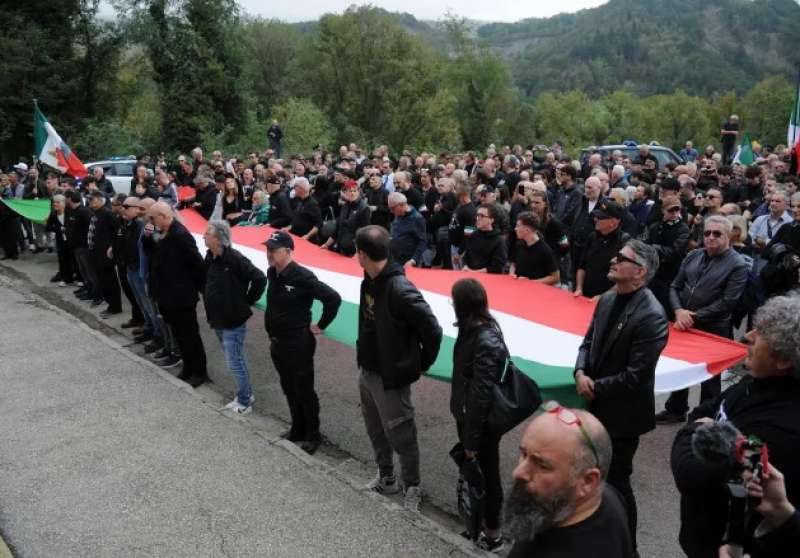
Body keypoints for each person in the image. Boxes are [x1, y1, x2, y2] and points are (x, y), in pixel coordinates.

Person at [671, 292, 800, 558]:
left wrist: (692, 430)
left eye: (762, 333)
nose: (748, 336)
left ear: (784, 360)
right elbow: (704, 409)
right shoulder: (753, 383)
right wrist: (701, 425)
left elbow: (692, 473)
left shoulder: (780, 428)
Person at [574, 239, 668, 555]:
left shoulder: (652, 315)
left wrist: (595, 386)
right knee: (592, 477)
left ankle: (629, 549)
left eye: (622, 258)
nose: (614, 260)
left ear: (639, 273)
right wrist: (579, 372)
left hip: (623, 416)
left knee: (616, 483)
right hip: (596, 403)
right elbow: (587, 342)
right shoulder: (607, 299)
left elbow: (636, 375)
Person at [355, 225, 442, 512]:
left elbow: (433, 329)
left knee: (402, 434)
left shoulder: (400, 288)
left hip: (390, 377)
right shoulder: (368, 279)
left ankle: (412, 486)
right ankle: (387, 477)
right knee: (376, 430)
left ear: (363, 254)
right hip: (367, 370)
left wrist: (419, 364)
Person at [504, 405, 633, 558]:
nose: (518, 473)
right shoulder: (606, 496)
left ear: (587, 481)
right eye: (524, 454)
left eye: (542, 465)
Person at [657, 215, 749, 423]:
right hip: (684, 323)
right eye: (707, 233)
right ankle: (676, 408)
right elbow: (675, 286)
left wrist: (694, 316)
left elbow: (728, 301)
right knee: (681, 368)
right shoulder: (693, 255)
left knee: (710, 376)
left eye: (717, 234)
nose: (710, 237)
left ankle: (705, 417)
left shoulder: (738, 264)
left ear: (729, 237)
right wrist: (679, 311)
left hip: (714, 328)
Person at [263, 231, 341, 454]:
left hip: (298, 343)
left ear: (288, 251)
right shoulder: (272, 273)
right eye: (267, 249)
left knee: (304, 389)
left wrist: (321, 325)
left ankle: (312, 435)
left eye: (273, 250)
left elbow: (332, 298)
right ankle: (297, 427)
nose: (269, 253)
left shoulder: (302, 276)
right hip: (277, 341)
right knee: (288, 387)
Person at [450, 278, 510, 552]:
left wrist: (472, 441)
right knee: (476, 476)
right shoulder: (471, 329)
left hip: (481, 424)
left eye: (454, 300)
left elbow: (480, 395)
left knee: (487, 477)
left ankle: (493, 534)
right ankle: (477, 525)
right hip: (470, 419)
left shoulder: (484, 338)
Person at [203, 220, 267, 415]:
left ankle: (244, 401)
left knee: (234, 361)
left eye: (207, 233)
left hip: (232, 320)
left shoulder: (234, 258)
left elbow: (259, 278)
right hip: (218, 318)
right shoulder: (210, 256)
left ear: (217, 239)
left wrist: (246, 300)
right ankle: (245, 393)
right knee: (236, 358)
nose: (204, 236)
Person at [146, 201, 208, 387]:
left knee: (190, 336)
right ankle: (188, 367)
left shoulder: (180, 235)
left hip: (181, 296)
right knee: (179, 335)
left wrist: (199, 289)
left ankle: (199, 371)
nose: (150, 221)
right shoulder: (163, 233)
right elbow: (156, 258)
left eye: (152, 217)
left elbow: (197, 264)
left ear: (164, 216)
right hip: (167, 295)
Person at [644, 195, 690, 319]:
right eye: (671, 210)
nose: (675, 213)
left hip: (670, 276)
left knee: (664, 310)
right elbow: (645, 246)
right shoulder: (655, 226)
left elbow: (675, 252)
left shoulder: (683, 229)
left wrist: (654, 248)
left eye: (677, 210)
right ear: (663, 210)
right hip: (653, 274)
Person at [574, 200, 631, 298]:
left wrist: (603, 297)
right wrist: (579, 288)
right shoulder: (592, 237)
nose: (596, 219)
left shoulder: (624, 242)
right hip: (584, 296)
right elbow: (582, 266)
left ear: (614, 222)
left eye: (601, 217)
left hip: (608, 301)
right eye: (596, 216)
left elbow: (625, 278)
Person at [86, 191, 122, 316]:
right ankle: (110, 304)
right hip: (95, 254)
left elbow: (117, 232)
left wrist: (112, 247)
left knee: (109, 281)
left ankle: (115, 306)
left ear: (101, 200)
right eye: (89, 199)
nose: (90, 202)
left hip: (105, 255)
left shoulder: (107, 214)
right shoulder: (95, 214)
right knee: (102, 280)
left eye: (93, 199)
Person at [321, 180, 371, 256]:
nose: (352, 193)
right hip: (340, 247)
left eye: (355, 191)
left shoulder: (364, 208)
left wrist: (357, 254)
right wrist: (327, 244)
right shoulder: (345, 206)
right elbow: (338, 229)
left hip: (353, 251)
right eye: (350, 191)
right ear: (345, 193)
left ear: (358, 192)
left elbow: (365, 235)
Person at [509, 212, 559, 284]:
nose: (515, 229)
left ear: (527, 230)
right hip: (517, 287)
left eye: (518, 226)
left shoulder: (545, 250)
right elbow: (513, 264)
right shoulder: (519, 244)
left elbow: (555, 277)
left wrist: (531, 282)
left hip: (536, 292)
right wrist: (512, 274)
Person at [460, 203, 507, 274]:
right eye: (477, 215)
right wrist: (465, 266)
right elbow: (466, 256)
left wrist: (475, 272)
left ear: (491, 220)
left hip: (489, 280)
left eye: (481, 216)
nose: (478, 219)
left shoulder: (499, 240)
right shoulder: (473, 235)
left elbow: (497, 266)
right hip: (470, 276)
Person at [388, 191, 427, 267]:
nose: (391, 211)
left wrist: (413, 260)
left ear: (402, 205)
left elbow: (422, 241)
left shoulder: (417, 218)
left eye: (393, 208)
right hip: (395, 258)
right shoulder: (399, 214)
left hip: (408, 261)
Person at [287, 178, 321, 242]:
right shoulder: (300, 201)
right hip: (296, 236)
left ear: (300, 188)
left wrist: (307, 236)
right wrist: (289, 227)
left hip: (306, 240)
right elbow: (297, 219)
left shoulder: (312, 204)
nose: (293, 189)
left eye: (295, 187)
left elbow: (318, 224)